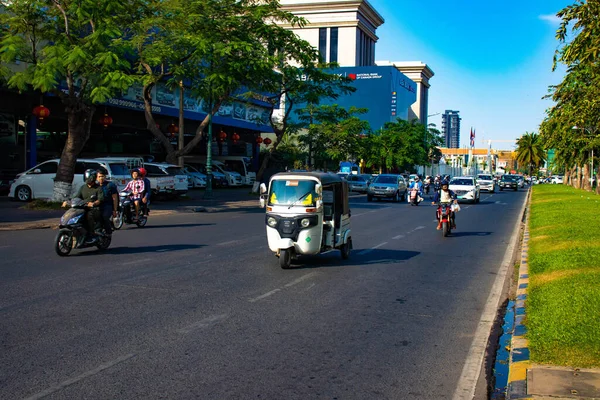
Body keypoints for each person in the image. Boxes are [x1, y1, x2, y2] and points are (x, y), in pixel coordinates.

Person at [63, 169, 104, 242]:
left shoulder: (98, 188)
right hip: (82, 207)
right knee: (72, 213)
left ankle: (91, 234)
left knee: (89, 216)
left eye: (90, 178)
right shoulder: (83, 187)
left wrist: (94, 203)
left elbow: (100, 199)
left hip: (94, 209)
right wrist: (68, 202)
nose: (88, 180)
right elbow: (77, 197)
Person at [96, 170, 118, 237]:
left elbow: (115, 198)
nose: (101, 178)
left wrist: (115, 210)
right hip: (97, 206)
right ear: (96, 177)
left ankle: (108, 231)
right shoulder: (95, 186)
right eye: (99, 176)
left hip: (107, 206)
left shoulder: (110, 185)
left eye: (102, 176)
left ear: (105, 176)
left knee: (104, 217)